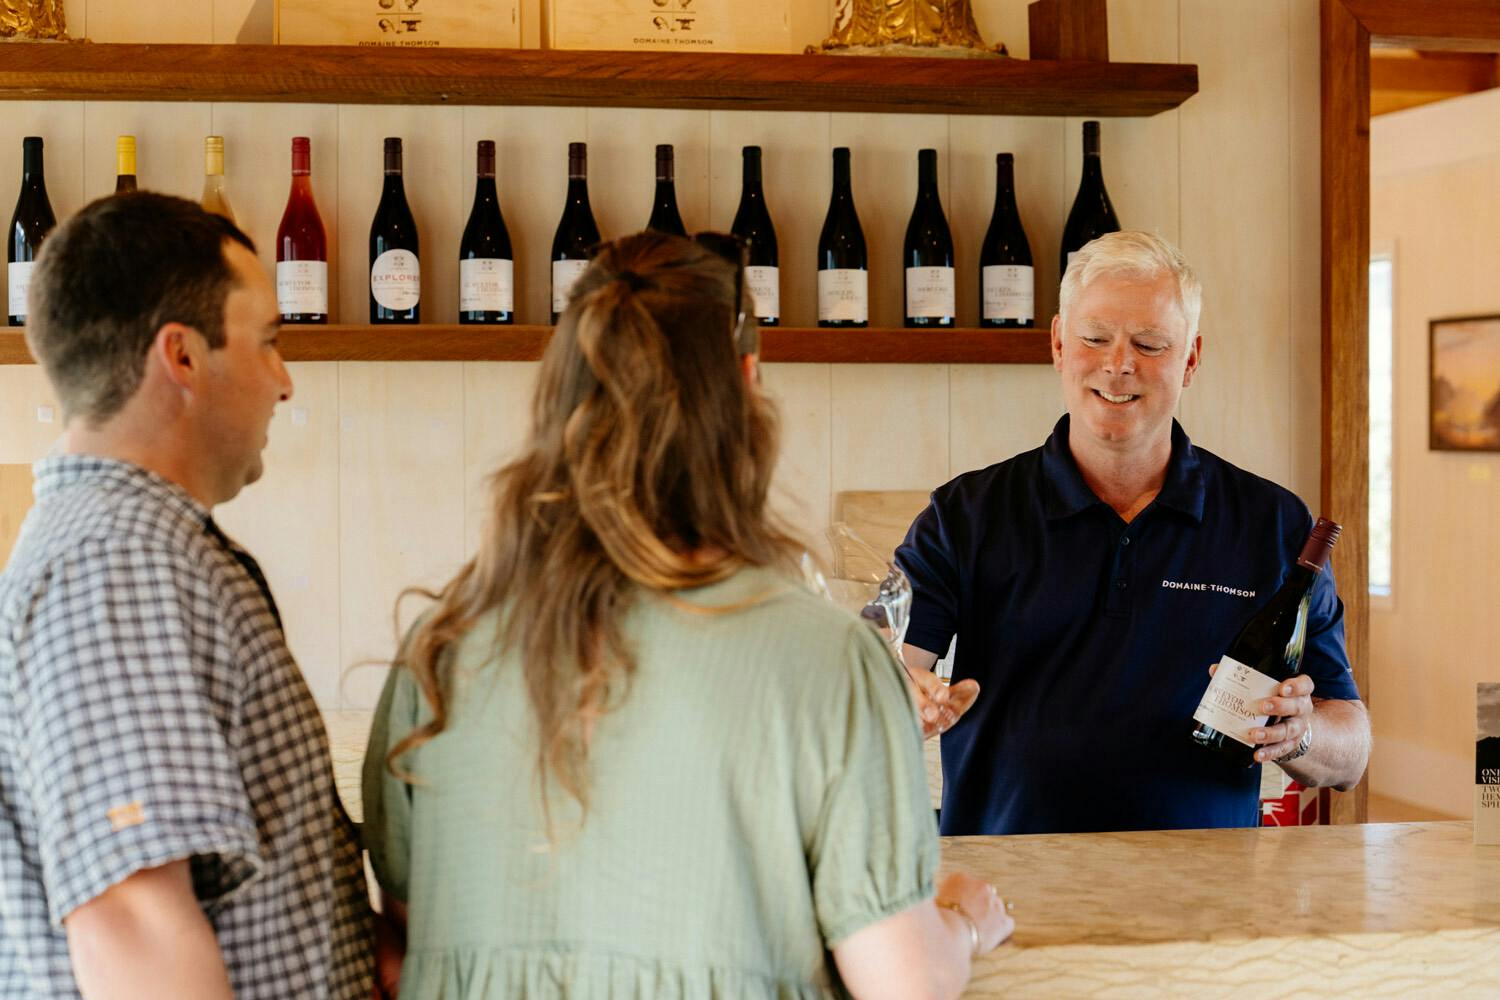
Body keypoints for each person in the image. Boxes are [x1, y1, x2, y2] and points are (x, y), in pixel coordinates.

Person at [361, 231, 1013, 1000]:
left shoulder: (440, 645)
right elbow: (904, 983)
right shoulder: (829, 661)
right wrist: (964, 922)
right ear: (746, 384)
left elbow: (405, 939)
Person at [0, 193, 372, 998]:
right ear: (183, 358)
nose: (284, 382)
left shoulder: (124, 548)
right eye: (268, 342)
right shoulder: (120, 566)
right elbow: (134, 931)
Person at [896, 231, 1371, 836]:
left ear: (1191, 359)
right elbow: (884, 668)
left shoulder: (1272, 523)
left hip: (1208, 899)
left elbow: (1350, 753)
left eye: (1149, 343)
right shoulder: (965, 514)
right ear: (1058, 344)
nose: (1118, 364)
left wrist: (1297, 731)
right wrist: (905, 696)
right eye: (1095, 338)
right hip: (1007, 894)